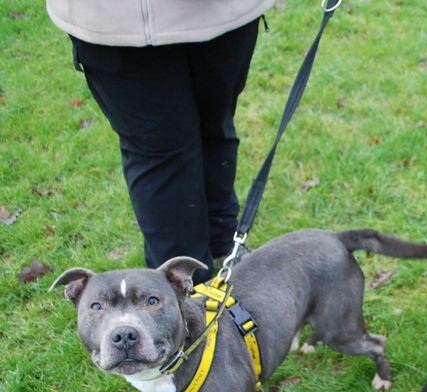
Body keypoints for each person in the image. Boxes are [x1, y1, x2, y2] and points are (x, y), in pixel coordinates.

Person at [46, 1, 275, 281]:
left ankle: (223, 246)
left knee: (214, 125)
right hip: (119, 22)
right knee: (161, 156)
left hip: (225, 13)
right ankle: (188, 291)